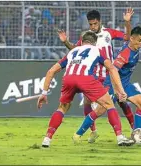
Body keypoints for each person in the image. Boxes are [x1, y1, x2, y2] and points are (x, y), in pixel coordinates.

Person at [39, 31, 134, 147]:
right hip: (86, 79)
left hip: (68, 79)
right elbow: (112, 69)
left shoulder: (72, 51)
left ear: (82, 41)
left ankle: (47, 139)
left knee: (62, 108)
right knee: (109, 104)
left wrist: (44, 93)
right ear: (95, 42)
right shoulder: (97, 50)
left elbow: (51, 71)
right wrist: (121, 90)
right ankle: (120, 137)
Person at [58, 9, 135, 143]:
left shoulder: (108, 33)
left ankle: (123, 133)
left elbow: (127, 37)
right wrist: (65, 42)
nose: (93, 27)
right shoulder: (86, 37)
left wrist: (127, 22)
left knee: (110, 105)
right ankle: (94, 131)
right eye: (90, 24)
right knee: (89, 103)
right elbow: (75, 50)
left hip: (107, 75)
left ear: (100, 22)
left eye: (95, 24)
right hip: (91, 75)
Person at [73, 26, 141, 140]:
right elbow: (113, 71)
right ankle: (78, 134)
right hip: (113, 84)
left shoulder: (134, 48)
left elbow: (126, 35)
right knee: (100, 110)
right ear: (132, 39)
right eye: (140, 41)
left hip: (125, 83)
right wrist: (118, 90)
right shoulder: (125, 54)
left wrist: (127, 21)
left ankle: (135, 135)